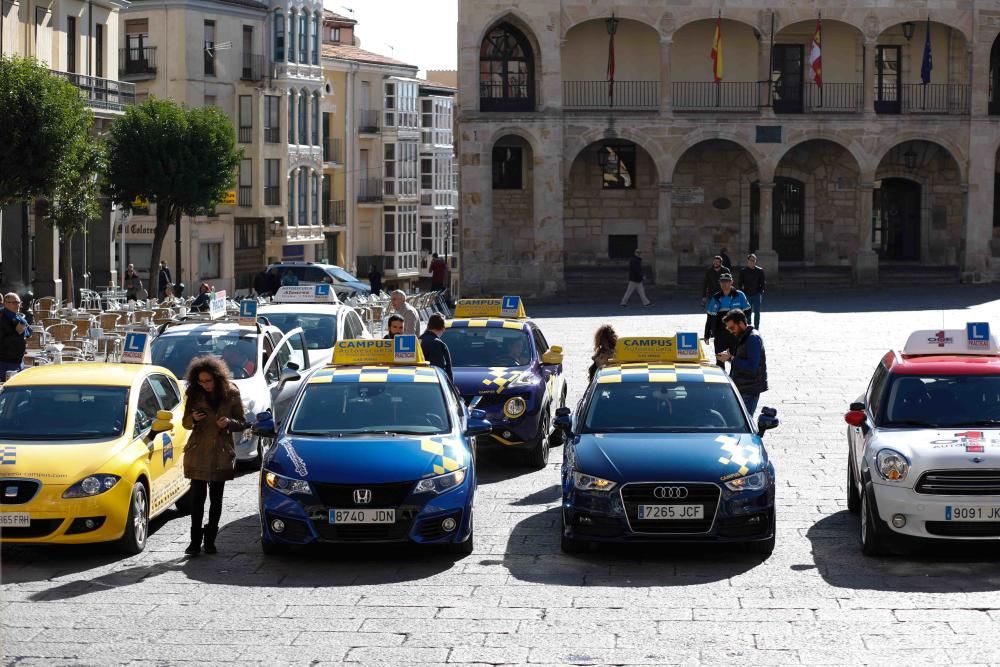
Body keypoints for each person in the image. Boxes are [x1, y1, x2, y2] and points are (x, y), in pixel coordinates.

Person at [181, 356, 247, 555]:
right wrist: (192, 418)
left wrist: (228, 422)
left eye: (208, 380)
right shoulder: (193, 393)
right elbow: (184, 423)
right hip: (198, 452)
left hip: (221, 452)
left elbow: (242, 422)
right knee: (197, 499)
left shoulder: (231, 393)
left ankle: (210, 539)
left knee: (216, 499)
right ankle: (194, 542)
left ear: (217, 378)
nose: (205, 385)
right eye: (201, 381)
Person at [716, 309, 768, 415]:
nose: (731, 331)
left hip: (749, 390)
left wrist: (731, 358)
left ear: (741, 323)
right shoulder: (744, 336)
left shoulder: (753, 338)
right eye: (729, 329)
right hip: (743, 388)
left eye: (732, 328)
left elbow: (752, 366)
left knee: (745, 425)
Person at [704, 273, 751, 368]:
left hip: (736, 333)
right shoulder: (716, 298)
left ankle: (734, 379)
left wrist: (745, 329)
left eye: (727, 281)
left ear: (731, 282)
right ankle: (721, 380)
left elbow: (748, 312)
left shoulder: (740, 295)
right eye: (722, 282)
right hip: (720, 333)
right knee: (720, 359)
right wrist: (707, 334)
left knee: (736, 358)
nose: (724, 284)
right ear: (719, 283)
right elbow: (710, 316)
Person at [0, 293, 30, 377]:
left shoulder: (18, 317)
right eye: (14, 303)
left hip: (18, 361)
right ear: (5, 303)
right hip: (4, 363)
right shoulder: (2, 318)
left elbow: (29, 332)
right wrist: (16, 333)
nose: (17, 305)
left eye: (18, 302)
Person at [419, 313, 452, 380]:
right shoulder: (437, 343)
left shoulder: (418, 340)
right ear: (443, 328)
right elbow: (439, 371)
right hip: (432, 385)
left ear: (428, 326)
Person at [738, 253, 766, 330]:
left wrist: (760, 292)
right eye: (751, 260)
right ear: (748, 261)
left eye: (754, 260)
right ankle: (748, 327)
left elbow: (763, 283)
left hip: (756, 294)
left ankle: (756, 328)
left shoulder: (759, 271)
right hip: (746, 295)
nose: (752, 262)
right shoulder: (743, 271)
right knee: (747, 312)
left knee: (757, 312)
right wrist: (742, 293)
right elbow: (740, 283)